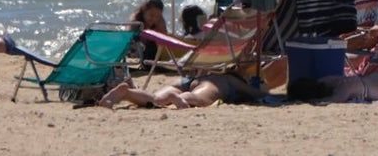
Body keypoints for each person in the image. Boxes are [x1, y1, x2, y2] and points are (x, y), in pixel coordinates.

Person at [98, 71, 268, 109]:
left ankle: (126, 92)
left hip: (187, 78)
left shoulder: (212, 70)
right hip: (207, 84)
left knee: (156, 99)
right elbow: (257, 94)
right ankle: (177, 98)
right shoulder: (228, 79)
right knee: (197, 97)